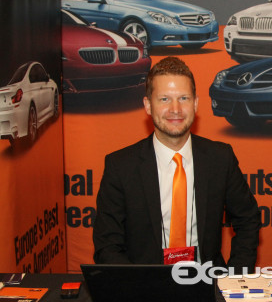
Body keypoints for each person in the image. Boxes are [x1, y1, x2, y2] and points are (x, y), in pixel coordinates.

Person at [93, 57, 261, 272]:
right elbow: (107, 244)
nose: (175, 109)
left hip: (207, 282)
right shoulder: (120, 166)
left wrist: (233, 279)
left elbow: (248, 219)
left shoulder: (220, 158)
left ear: (196, 104)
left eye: (183, 98)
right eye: (164, 99)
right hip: (145, 285)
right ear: (148, 105)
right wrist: (136, 285)